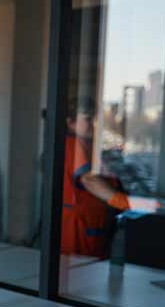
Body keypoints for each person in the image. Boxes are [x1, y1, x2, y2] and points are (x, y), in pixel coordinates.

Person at [60, 97, 159, 257]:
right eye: (87, 118)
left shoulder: (86, 147)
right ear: (70, 122)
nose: (93, 123)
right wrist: (125, 203)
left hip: (89, 228)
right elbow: (89, 180)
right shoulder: (73, 145)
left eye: (95, 118)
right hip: (79, 232)